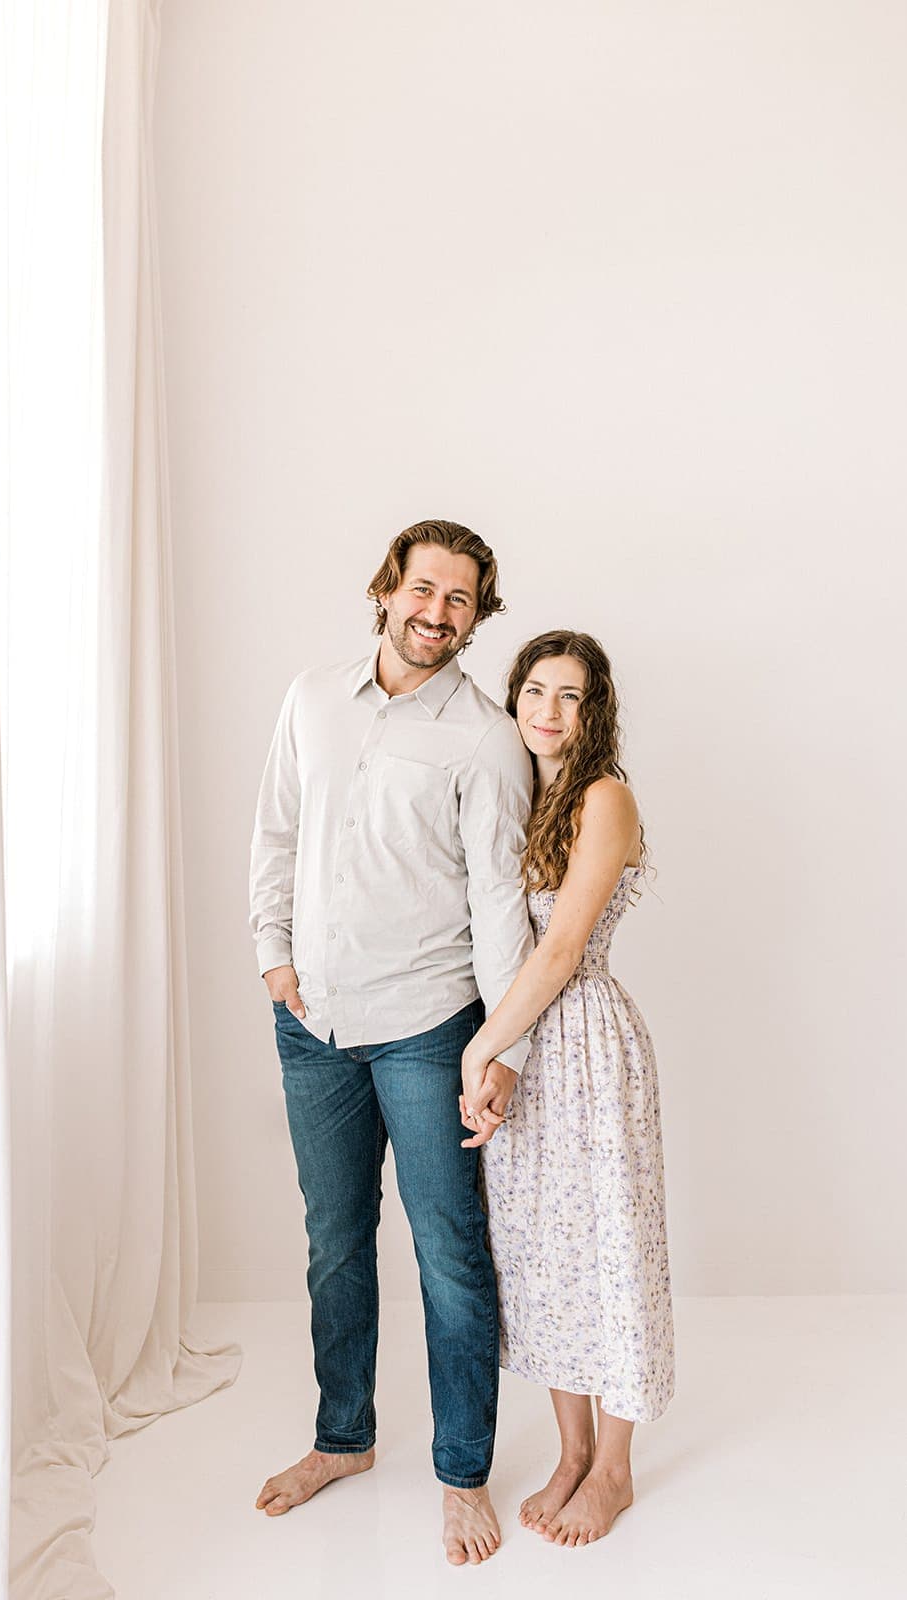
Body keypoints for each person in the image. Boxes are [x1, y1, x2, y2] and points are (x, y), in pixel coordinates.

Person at [248, 520, 534, 1565]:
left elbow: (500, 900)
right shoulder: (311, 698)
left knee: (451, 1256)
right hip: (311, 1024)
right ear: (386, 589)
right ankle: (343, 1438)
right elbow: (274, 830)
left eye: (458, 600)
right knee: (333, 1242)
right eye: (423, 590)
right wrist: (272, 960)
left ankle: (462, 1472)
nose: (435, 613)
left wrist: (499, 1045)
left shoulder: (487, 735)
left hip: (428, 1028)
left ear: (474, 615)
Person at [460, 629, 674, 1548]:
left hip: (584, 1040)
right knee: (541, 1253)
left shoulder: (603, 796)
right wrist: (503, 1053)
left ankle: (615, 1470)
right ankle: (570, 1451)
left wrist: (479, 1049)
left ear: (595, 711)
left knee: (609, 1246)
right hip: (528, 1048)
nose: (547, 711)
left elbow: (559, 951)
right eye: (534, 691)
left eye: (569, 696)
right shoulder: (523, 797)